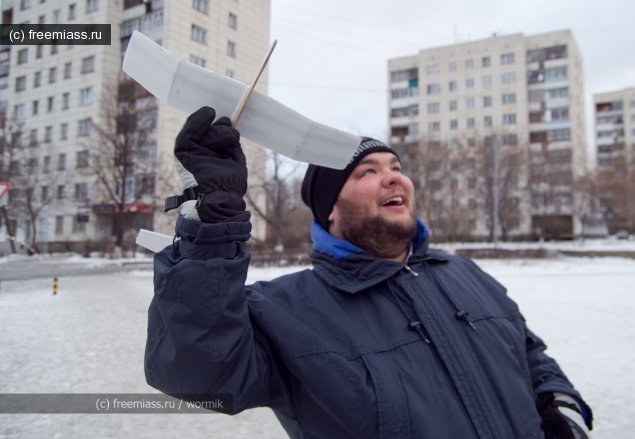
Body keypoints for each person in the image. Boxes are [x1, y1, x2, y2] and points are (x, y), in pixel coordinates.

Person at [146, 107, 593, 439]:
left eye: (397, 168)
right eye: (368, 171)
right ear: (330, 212)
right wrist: (213, 222)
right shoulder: (287, 311)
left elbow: (529, 353)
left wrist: (559, 404)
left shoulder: (465, 274)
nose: (394, 178)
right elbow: (198, 371)